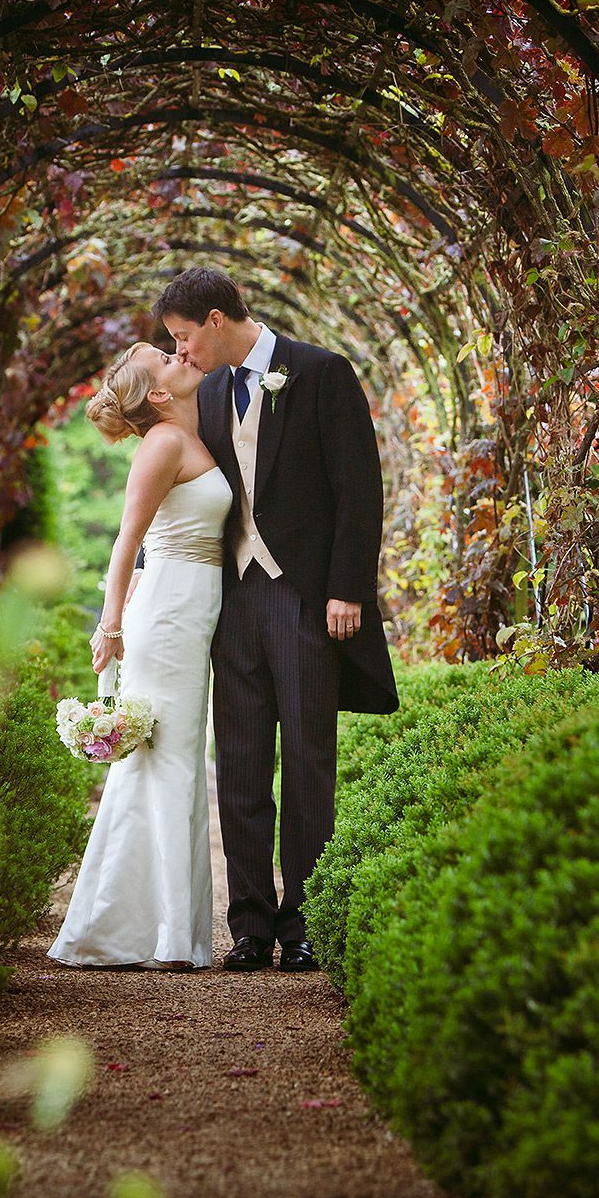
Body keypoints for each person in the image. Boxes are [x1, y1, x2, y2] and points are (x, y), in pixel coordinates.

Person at [152, 266, 398, 974]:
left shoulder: (321, 372)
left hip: (307, 598)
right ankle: (251, 926)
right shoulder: (213, 391)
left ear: (219, 320)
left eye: (185, 336)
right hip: (234, 601)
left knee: (310, 764)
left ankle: (307, 921)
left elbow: (359, 489)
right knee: (241, 763)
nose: (182, 352)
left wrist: (347, 588)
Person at [48, 342, 231, 969]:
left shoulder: (192, 432)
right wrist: (111, 626)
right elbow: (127, 540)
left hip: (196, 604)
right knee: (169, 758)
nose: (184, 356)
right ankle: (160, 933)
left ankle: (156, 925)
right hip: (168, 609)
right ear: (157, 393)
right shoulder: (161, 445)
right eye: (169, 359)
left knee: (173, 755)